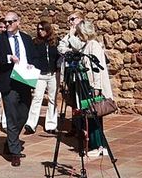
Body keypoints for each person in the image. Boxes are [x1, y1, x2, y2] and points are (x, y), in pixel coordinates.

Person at [60, 18, 114, 158]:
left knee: (94, 117)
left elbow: (95, 68)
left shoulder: (93, 45)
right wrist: (70, 35)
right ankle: (96, 144)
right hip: (87, 84)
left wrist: (96, 87)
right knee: (90, 117)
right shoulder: (88, 44)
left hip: (93, 86)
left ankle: (99, 146)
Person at [0, 12, 35, 166]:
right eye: (6, 23)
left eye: (11, 22)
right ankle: (15, 152)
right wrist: (8, 58)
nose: (7, 25)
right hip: (8, 82)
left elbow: (33, 57)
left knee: (24, 114)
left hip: (25, 80)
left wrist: (32, 65)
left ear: (18, 22)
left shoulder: (27, 39)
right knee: (12, 115)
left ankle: (10, 142)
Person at [26, 20, 59, 135]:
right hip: (40, 74)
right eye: (39, 29)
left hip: (53, 74)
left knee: (52, 99)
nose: (40, 31)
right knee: (37, 98)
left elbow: (58, 57)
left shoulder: (55, 42)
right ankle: (31, 124)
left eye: (43, 29)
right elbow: (31, 56)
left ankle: (51, 124)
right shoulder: (35, 42)